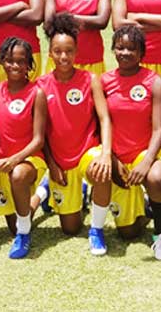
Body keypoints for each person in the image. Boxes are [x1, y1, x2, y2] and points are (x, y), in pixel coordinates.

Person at [38, 13, 113, 256]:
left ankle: (97, 230)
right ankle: (58, 189)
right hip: (59, 160)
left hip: (86, 153)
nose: (63, 57)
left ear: (76, 51)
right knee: (70, 228)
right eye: (58, 51)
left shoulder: (90, 79)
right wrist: (51, 164)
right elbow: (40, 134)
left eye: (68, 51)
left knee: (101, 172)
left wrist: (105, 154)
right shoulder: (40, 85)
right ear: (50, 53)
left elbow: (104, 118)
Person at [102, 25, 161, 260]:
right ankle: (146, 206)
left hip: (149, 153)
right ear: (113, 49)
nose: (125, 53)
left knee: (157, 177)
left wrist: (146, 161)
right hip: (118, 158)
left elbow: (160, 129)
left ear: (142, 53)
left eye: (131, 49)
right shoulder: (104, 82)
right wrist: (111, 160)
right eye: (120, 48)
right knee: (128, 233)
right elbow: (98, 126)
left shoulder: (154, 82)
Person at [0, 37, 47, 258]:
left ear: (29, 65)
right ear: (2, 62)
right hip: (2, 162)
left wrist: (15, 159)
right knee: (14, 222)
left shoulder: (37, 93)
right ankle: (43, 192)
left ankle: (24, 236)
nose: (15, 66)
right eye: (10, 60)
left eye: (21, 61)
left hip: (29, 159)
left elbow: (38, 140)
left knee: (18, 175)